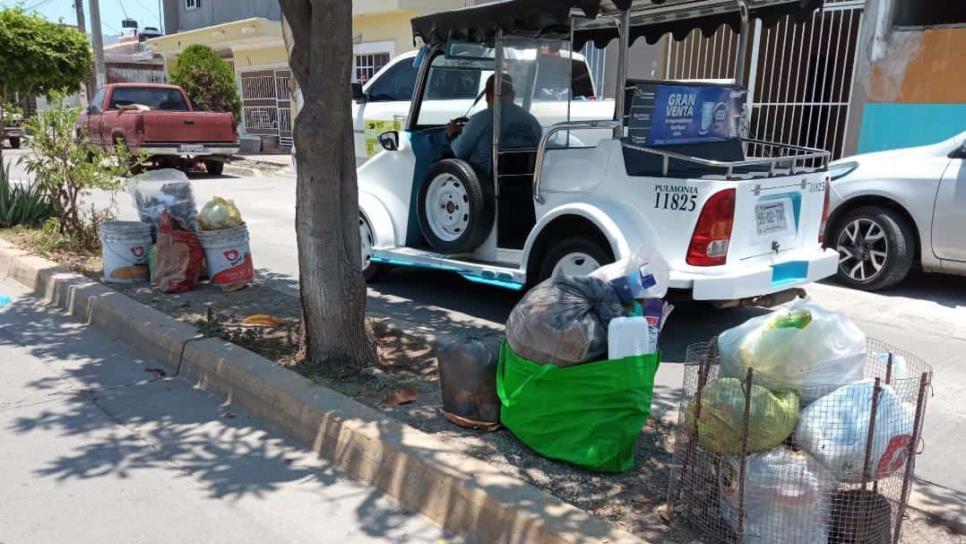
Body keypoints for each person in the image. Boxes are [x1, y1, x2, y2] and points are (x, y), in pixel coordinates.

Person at [447, 74, 543, 177]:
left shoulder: (481, 119)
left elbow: (459, 152)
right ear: (513, 95)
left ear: (488, 96)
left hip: (484, 183)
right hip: (525, 182)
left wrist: (453, 134)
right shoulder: (532, 122)